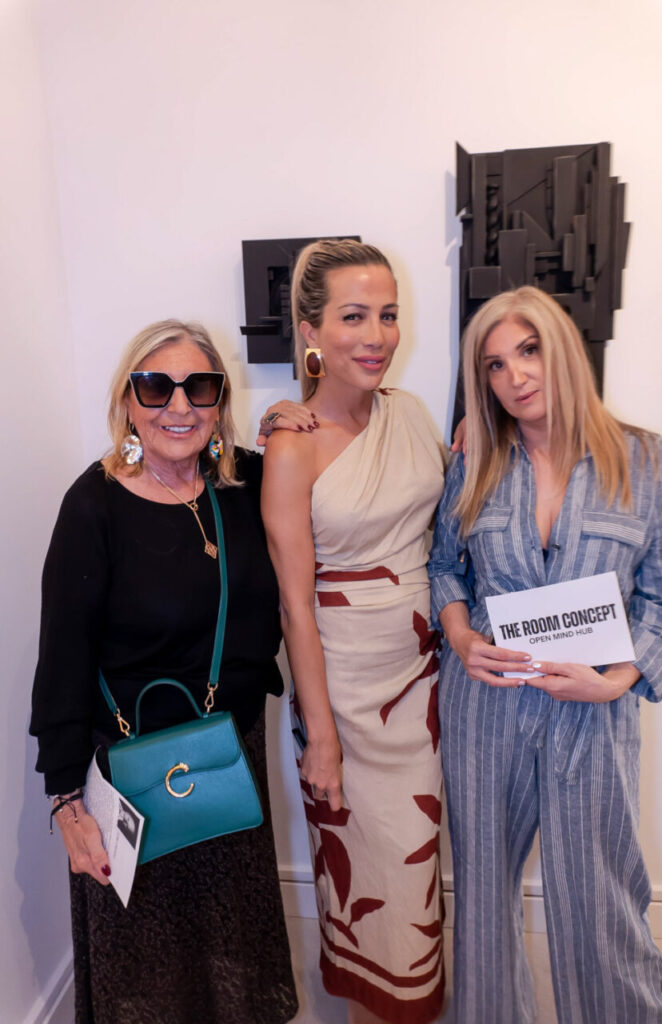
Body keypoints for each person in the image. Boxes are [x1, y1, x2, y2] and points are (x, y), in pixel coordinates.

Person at [30, 319, 317, 1024]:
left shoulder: (243, 485)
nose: (179, 406)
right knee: (148, 985)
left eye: (201, 387)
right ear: (129, 400)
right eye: (157, 387)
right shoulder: (93, 504)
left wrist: (287, 419)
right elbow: (62, 656)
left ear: (221, 402)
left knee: (233, 968)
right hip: (127, 781)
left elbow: (324, 470)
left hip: (225, 763)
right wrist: (66, 802)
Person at [428, 286, 662, 1024]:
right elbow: (446, 567)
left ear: (562, 349)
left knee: (600, 901)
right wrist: (463, 637)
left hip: (594, 715)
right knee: (482, 900)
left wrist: (617, 683)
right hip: (487, 707)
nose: (515, 376)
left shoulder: (644, 460)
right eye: (497, 364)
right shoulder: (476, 460)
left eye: (528, 350)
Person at [261, 240, 447, 1024]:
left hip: (425, 687)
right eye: (353, 316)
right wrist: (323, 739)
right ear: (310, 329)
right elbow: (294, 606)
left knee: (418, 873)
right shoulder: (290, 445)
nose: (377, 335)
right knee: (370, 887)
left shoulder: (410, 414)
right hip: (344, 692)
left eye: (390, 315)